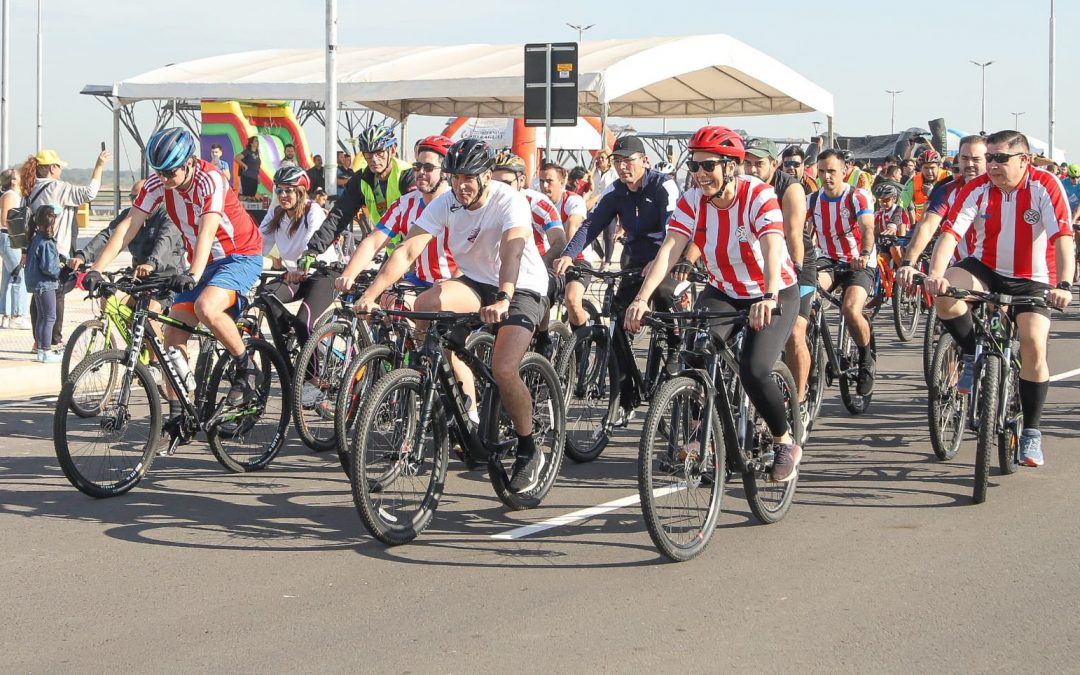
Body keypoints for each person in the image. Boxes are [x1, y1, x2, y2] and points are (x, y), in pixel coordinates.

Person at [354, 138, 551, 493]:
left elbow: (514, 249)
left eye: (469, 177)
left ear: (487, 175)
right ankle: (441, 383)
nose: (461, 185)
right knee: (424, 306)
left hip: (521, 285)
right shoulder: (446, 202)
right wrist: (369, 295)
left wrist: (505, 296)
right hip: (476, 282)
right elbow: (407, 250)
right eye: (455, 176)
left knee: (505, 368)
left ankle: (527, 447)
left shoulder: (509, 200)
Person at [624, 125, 802, 482]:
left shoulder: (759, 195)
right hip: (724, 290)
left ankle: (785, 441)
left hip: (773, 289)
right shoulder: (693, 201)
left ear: (731, 167)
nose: (700, 174)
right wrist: (641, 299)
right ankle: (700, 437)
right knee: (694, 356)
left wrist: (767, 295)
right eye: (695, 166)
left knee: (754, 369)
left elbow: (770, 249)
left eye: (709, 167)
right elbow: (670, 249)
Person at [83, 127, 264, 420]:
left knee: (206, 307)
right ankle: (180, 412)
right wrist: (95, 269)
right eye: (160, 172)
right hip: (202, 262)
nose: (165, 180)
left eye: (170, 173)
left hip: (238, 255)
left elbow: (207, 233)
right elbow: (129, 226)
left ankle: (246, 367)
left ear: (189, 162)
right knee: (171, 337)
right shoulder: (158, 184)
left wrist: (192, 274)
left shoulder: (211, 180)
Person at [924, 130, 1074, 467]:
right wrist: (936, 273)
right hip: (986, 267)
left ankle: (1032, 432)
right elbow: (950, 233)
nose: (991, 165)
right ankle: (969, 352)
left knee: (1033, 341)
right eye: (989, 157)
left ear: (1024, 160)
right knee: (946, 294)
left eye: (1000, 158)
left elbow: (1063, 238)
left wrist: (1064, 284)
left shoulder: (1044, 186)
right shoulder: (978, 188)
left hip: (1033, 278)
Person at [553, 134, 682, 424]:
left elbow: (674, 229)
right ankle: (627, 395)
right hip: (633, 262)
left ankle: (675, 344)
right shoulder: (615, 191)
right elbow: (592, 224)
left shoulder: (664, 186)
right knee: (617, 322)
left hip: (666, 258)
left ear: (644, 161)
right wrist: (569, 254)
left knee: (663, 295)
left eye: (629, 160)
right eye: (618, 161)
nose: (624, 167)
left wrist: (658, 261)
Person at [742, 137, 813, 418]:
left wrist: (794, 268)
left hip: (796, 262)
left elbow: (793, 234)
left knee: (795, 332)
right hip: (758, 263)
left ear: (774, 163)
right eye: (746, 162)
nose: (751, 168)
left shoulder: (790, 187)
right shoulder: (741, 186)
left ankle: (799, 402)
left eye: (758, 163)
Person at [335, 135, 456, 294]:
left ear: (445, 171)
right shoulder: (404, 204)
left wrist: (455, 281)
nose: (420, 172)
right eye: (417, 166)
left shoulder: (458, 204)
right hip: (418, 280)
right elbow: (373, 242)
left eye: (428, 167)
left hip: (454, 283)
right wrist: (349, 275)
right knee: (384, 308)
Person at [20, 146, 110, 351]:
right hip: (55, 250)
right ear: (52, 168)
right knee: (56, 294)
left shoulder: (31, 188)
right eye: (59, 167)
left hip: (34, 248)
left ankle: (38, 341)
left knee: (39, 296)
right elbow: (90, 193)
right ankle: (54, 340)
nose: (61, 170)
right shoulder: (57, 188)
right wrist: (99, 166)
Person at [810, 149, 877, 396]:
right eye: (822, 171)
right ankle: (811, 346)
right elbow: (802, 233)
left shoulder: (857, 197)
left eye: (832, 171)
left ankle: (866, 358)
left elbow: (867, 227)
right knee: (805, 293)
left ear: (844, 172)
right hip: (828, 260)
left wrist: (865, 253)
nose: (826, 177)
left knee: (850, 309)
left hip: (858, 262)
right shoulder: (813, 200)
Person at [302, 127, 416, 266]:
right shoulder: (361, 178)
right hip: (392, 252)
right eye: (368, 155)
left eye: (379, 153)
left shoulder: (408, 175)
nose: (373, 160)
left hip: (417, 252)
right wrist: (313, 250)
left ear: (392, 150)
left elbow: (418, 217)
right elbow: (339, 216)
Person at [896, 135, 988, 284]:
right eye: (964, 159)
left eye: (976, 159)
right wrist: (908, 263)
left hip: (996, 269)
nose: (969, 164)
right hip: (960, 266)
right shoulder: (946, 189)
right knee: (945, 301)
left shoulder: (1000, 188)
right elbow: (927, 225)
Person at [538, 162, 592, 330]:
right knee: (538, 295)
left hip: (577, 259)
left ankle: (580, 345)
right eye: (541, 181)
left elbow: (573, 225)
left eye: (549, 181)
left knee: (572, 301)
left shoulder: (572, 200)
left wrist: (568, 255)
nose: (544, 186)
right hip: (552, 259)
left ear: (562, 183)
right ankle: (543, 337)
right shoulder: (537, 203)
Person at [24, 205, 62, 363]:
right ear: (52, 221)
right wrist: (59, 268)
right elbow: (49, 268)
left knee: (41, 317)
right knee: (50, 317)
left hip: (36, 284)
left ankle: (41, 349)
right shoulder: (46, 242)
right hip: (46, 284)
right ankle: (46, 351)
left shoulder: (35, 238)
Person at [0, 168, 30, 329]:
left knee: (8, 276)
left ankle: (6, 314)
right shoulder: (10, 196)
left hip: (9, 237)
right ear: (13, 181)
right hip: (9, 237)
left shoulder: (14, 196)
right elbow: (5, 219)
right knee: (19, 275)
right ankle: (17, 315)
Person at [899, 149, 949, 222]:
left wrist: (931, 192)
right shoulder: (913, 181)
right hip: (922, 224)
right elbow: (901, 203)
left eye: (932, 168)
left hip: (945, 223)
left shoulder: (948, 177)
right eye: (926, 168)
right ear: (921, 168)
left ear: (939, 166)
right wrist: (893, 223)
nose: (929, 171)